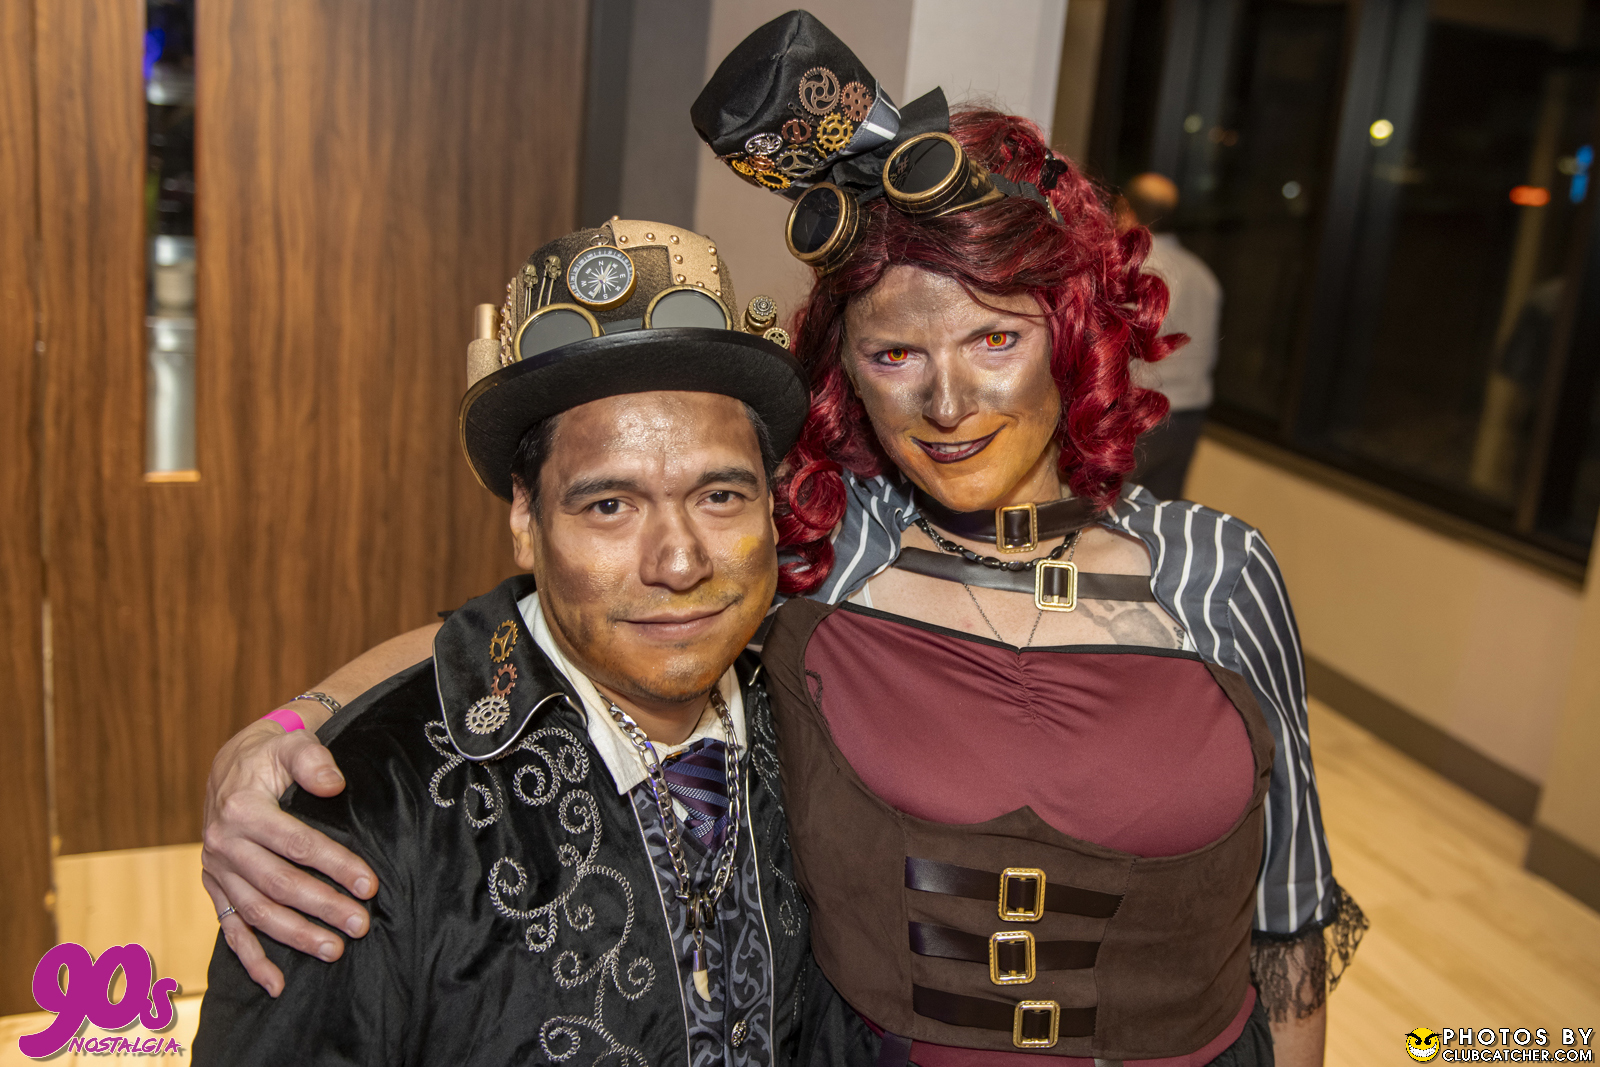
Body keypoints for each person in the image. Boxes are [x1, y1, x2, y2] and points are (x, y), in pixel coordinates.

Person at [199, 12, 1363, 1066]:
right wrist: (289, 727)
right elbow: (545, 624)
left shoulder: (1218, 568)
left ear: (1066, 334)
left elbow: (1288, 917)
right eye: (895, 354)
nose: (947, 402)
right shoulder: (829, 543)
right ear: (846, 372)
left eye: (994, 340)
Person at [192, 219, 836, 1065]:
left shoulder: (818, 724)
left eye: (720, 496)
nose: (679, 561)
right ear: (526, 520)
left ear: (773, 510)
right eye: (610, 506)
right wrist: (290, 723)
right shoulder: (365, 817)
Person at [1118, 172, 1223, 500]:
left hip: (1138, 415)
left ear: (1127, 211)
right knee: (1162, 515)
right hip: (1188, 419)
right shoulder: (1203, 274)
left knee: (1106, 514)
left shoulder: (1131, 271)